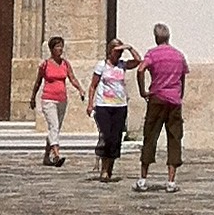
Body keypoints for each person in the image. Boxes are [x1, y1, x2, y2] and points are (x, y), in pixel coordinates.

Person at [134, 23, 188, 191]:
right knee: (174, 138)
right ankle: (171, 181)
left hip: (157, 98)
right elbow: (182, 78)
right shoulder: (178, 56)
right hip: (173, 100)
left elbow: (141, 69)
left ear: (156, 37)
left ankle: (143, 178)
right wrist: (179, 95)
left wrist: (143, 90)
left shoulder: (152, 54)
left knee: (150, 136)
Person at [86, 36, 138, 180]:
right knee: (106, 136)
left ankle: (110, 169)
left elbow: (138, 61)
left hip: (119, 105)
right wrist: (90, 103)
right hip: (104, 105)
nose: (118, 54)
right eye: (116, 51)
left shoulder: (122, 65)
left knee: (116, 139)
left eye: (120, 52)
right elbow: (93, 86)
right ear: (110, 51)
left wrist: (129, 48)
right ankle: (104, 168)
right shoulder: (101, 65)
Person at [30, 35, 83, 165]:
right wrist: (33, 97)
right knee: (53, 126)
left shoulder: (65, 64)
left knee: (55, 128)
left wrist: (80, 89)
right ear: (52, 49)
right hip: (48, 99)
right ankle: (57, 155)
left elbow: (72, 78)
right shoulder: (45, 64)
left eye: (61, 46)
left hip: (62, 99)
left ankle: (46, 157)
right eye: (57, 46)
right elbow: (38, 82)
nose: (60, 49)